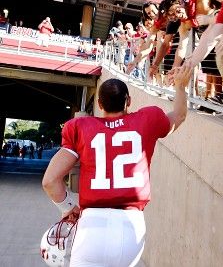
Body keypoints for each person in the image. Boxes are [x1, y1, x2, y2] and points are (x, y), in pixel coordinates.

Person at [42, 66, 192, 267]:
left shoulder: (80, 128)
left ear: (99, 103)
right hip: (131, 229)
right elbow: (180, 115)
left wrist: (68, 207)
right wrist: (181, 86)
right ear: (128, 101)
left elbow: (50, 181)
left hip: (91, 227)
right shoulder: (148, 120)